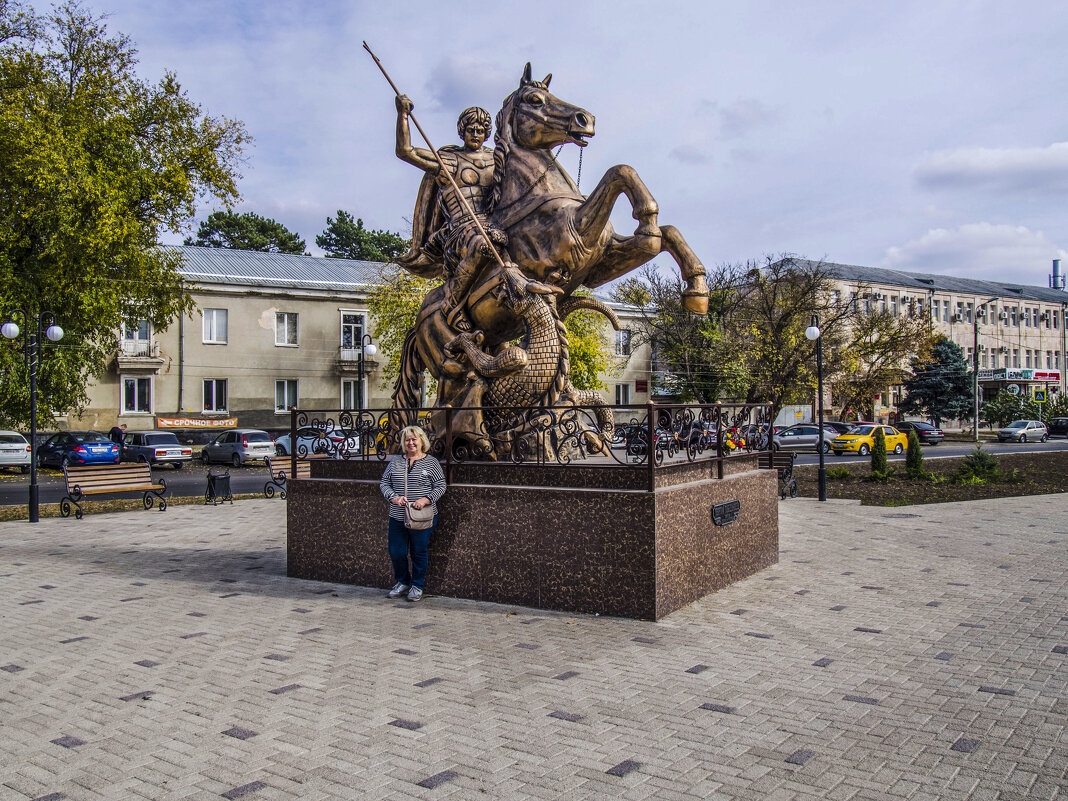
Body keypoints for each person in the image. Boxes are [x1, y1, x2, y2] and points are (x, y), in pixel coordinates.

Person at [394, 95, 507, 332]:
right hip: (460, 232)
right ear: (462, 132)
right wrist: (403, 115)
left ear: (487, 133)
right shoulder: (449, 160)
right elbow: (405, 151)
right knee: (481, 244)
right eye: (470, 130)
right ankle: (452, 304)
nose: (475, 134)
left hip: (493, 225)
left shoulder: (497, 161)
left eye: (480, 130)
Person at [378, 426, 446, 602]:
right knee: (396, 551)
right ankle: (402, 581)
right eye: (407, 440)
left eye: (414, 439)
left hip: (421, 516)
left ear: (422, 441)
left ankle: (417, 585)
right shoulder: (396, 461)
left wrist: (426, 499)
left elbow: (441, 486)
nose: (411, 443)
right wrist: (393, 498)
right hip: (398, 515)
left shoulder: (431, 462)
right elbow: (384, 483)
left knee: (418, 552)